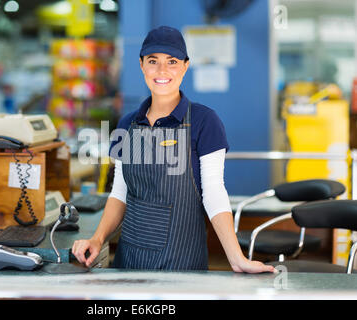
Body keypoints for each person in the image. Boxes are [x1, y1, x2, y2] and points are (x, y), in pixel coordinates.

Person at [72, 26, 275, 273]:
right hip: (129, 262)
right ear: (141, 65)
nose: (162, 70)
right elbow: (120, 192)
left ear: (185, 66)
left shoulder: (204, 121)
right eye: (153, 61)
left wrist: (236, 258)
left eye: (172, 61)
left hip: (182, 262)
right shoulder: (127, 124)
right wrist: (97, 238)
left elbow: (213, 192)